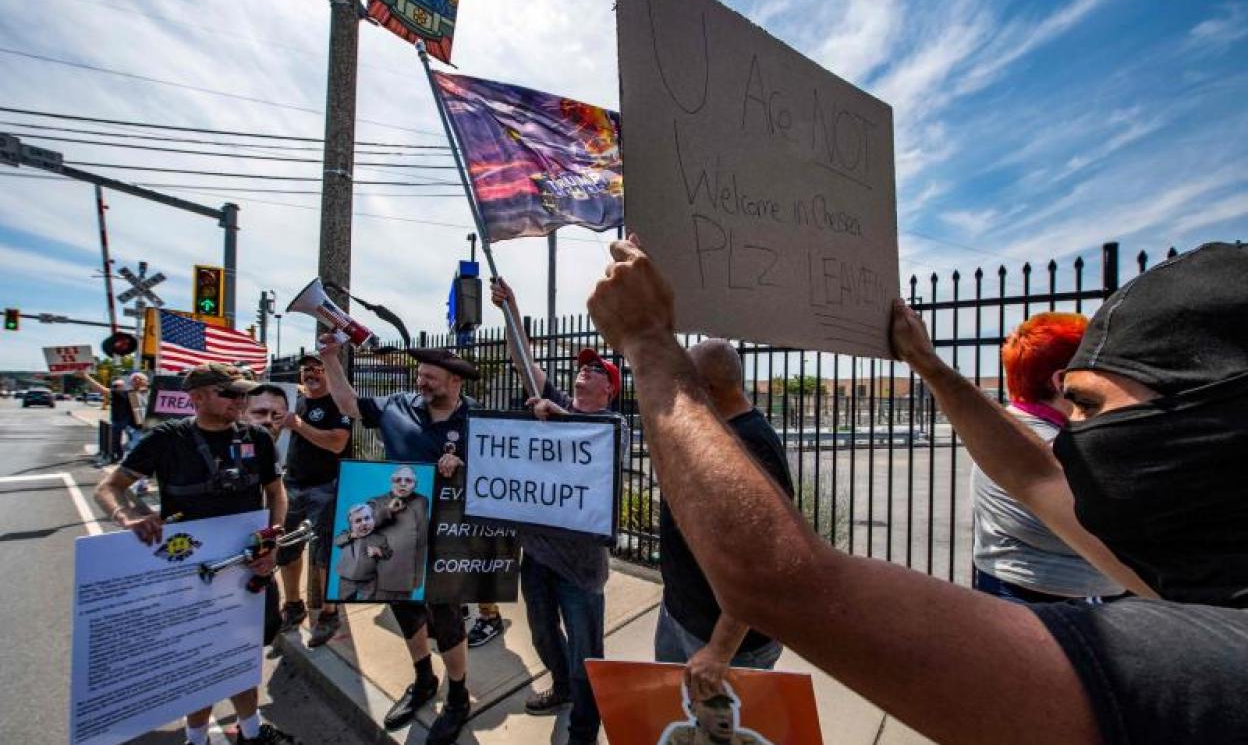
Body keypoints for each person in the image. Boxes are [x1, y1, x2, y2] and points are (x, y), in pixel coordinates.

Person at [587, 237, 1248, 744]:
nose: (1069, 434)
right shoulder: (1204, 564)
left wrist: (648, 342)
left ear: (1207, 424)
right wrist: (929, 366)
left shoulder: (1201, 667)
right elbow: (1036, 475)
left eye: (1088, 406)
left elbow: (782, 586)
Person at [91, 362, 295, 745]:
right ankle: (197, 738)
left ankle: (251, 733)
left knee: (243, 651)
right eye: (229, 393)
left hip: (248, 565)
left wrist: (273, 539)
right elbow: (108, 487)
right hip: (189, 570)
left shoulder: (257, 437)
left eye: (242, 393)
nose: (240, 400)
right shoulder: (167, 439)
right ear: (197, 398)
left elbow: (275, 492)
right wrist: (128, 517)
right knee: (199, 657)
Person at [319, 337, 478, 744]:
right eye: (420, 375)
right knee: (404, 606)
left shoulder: (477, 418)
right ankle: (424, 678)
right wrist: (330, 357)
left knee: (445, 615)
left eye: (431, 377)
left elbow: (499, 471)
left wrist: (465, 465)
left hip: (448, 534)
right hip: (397, 528)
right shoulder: (396, 406)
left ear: (456, 382)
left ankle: (458, 696)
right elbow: (349, 405)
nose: (421, 382)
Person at [492, 277, 626, 745]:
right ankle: (563, 688)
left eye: (595, 370)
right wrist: (511, 308)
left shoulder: (613, 424)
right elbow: (522, 361)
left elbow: (596, 445)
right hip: (538, 554)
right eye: (582, 368)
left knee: (588, 651)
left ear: (609, 389)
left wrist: (559, 417)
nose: (583, 372)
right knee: (543, 634)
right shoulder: (559, 404)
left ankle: (584, 730)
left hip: (581, 567)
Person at [657, 339, 793, 697]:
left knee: (717, 725)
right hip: (681, 613)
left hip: (725, 645)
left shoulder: (752, 448)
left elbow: (763, 564)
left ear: (707, 389)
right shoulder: (718, 429)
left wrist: (720, 649)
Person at [971, 313, 1125, 604]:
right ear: (1063, 380)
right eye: (1099, 368)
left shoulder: (1004, 426)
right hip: (1058, 596)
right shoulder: (1056, 446)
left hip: (1011, 584)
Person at [271, 355, 353, 646]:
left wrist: (298, 425)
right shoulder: (294, 401)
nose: (312, 374)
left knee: (324, 554)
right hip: (292, 484)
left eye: (319, 369)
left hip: (326, 487)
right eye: (307, 370)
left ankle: (329, 614)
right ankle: (293, 605)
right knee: (287, 548)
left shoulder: (339, 404)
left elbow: (337, 443)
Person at [367, 465, 431, 599]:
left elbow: (423, 534)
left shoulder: (422, 501)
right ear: (391, 482)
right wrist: (388, 510)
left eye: (408, 480)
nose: (402, 484)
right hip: (383, 576)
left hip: (409, 576)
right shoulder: (377, 502)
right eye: (398, 480)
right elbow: (365, 527)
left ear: (415, 484)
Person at [657, 682, 771, 745]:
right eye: (712, 705)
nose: (722, 713)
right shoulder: (680, 738)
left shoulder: (748, 742)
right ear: (693, 710)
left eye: (726, 706)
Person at [334, 503, 392, 601]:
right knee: (344, 600)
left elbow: (389, 553)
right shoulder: (347, 534)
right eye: (358, 521)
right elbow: (337, 541)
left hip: (369, 578)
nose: (364, 523)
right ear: (351, 525)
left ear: (373, 519)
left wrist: (379, 551)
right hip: (347, 577)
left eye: (367, 518)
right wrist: (350, 536)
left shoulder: (379, 538)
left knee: (368, 600)